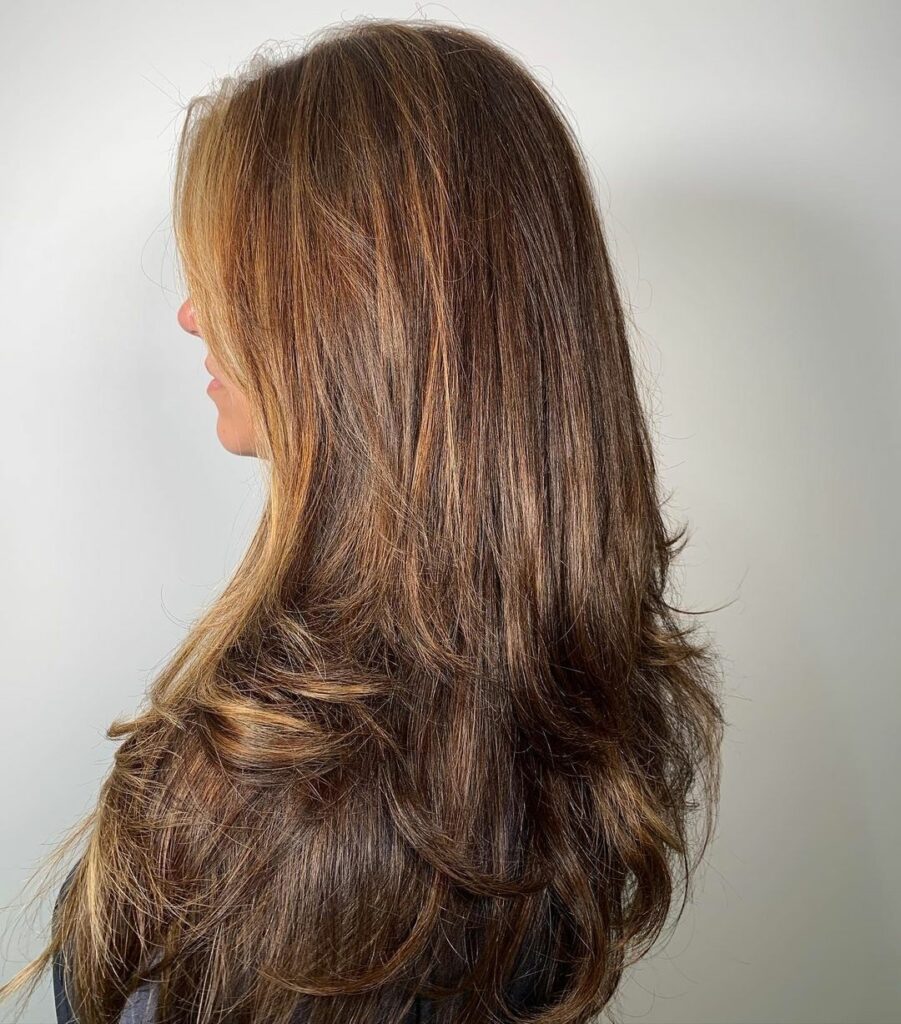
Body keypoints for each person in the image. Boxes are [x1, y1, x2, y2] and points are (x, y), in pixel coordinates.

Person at [2, 17, 725, 1024]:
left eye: (234, 277)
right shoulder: (589, 714)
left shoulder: (251, 796)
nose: (192, 315)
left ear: (347, 324)